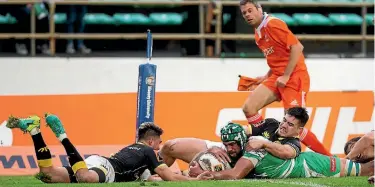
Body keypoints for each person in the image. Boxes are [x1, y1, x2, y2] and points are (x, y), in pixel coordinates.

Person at [239, 0, 331, 156]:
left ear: (259, 9)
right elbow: (278, 57)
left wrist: (287, 75)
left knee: (294, 124)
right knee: (249, 108)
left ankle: (330, 159)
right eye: (244, 13)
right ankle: (265, 140)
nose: (247, 14)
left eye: (250, 10)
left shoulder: (273, 24)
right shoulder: (258, 32)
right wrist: (266, 76)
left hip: (294, 76)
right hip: (277, 76)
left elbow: (297, 47)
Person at [6, 114, 211, 183]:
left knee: (47, 175)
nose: (160, 148)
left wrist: (185, 172)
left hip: (99, 163)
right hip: (106, 169)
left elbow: (154, 179)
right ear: (150, 142)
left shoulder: (137, 155)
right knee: (86, 179)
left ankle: (34, 130)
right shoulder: (148, 152)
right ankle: (62, 136)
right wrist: (195, 180)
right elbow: (169, 178)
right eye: (159, 143)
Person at [160, 106, 317, 173]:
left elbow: (286, 153)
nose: (283, 125)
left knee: (191, 174)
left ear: (299, 130)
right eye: (284, 120)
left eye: (290, 124)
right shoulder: (271, 124)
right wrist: (228, 134)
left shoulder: (293, 145)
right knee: (169, 146)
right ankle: (149, 175)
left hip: (233, 164)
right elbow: (243, 130)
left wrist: (263, 143)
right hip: (225, 148)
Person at [190, 123, 374, 180]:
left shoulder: (252, 150)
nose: (229, 149)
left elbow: (236, 174)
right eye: (225, 145)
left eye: (232, 145)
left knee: (366, 170)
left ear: (241, 141)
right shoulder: (238, 149)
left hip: (312, 165)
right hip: (306, 161)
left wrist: (210, 176)